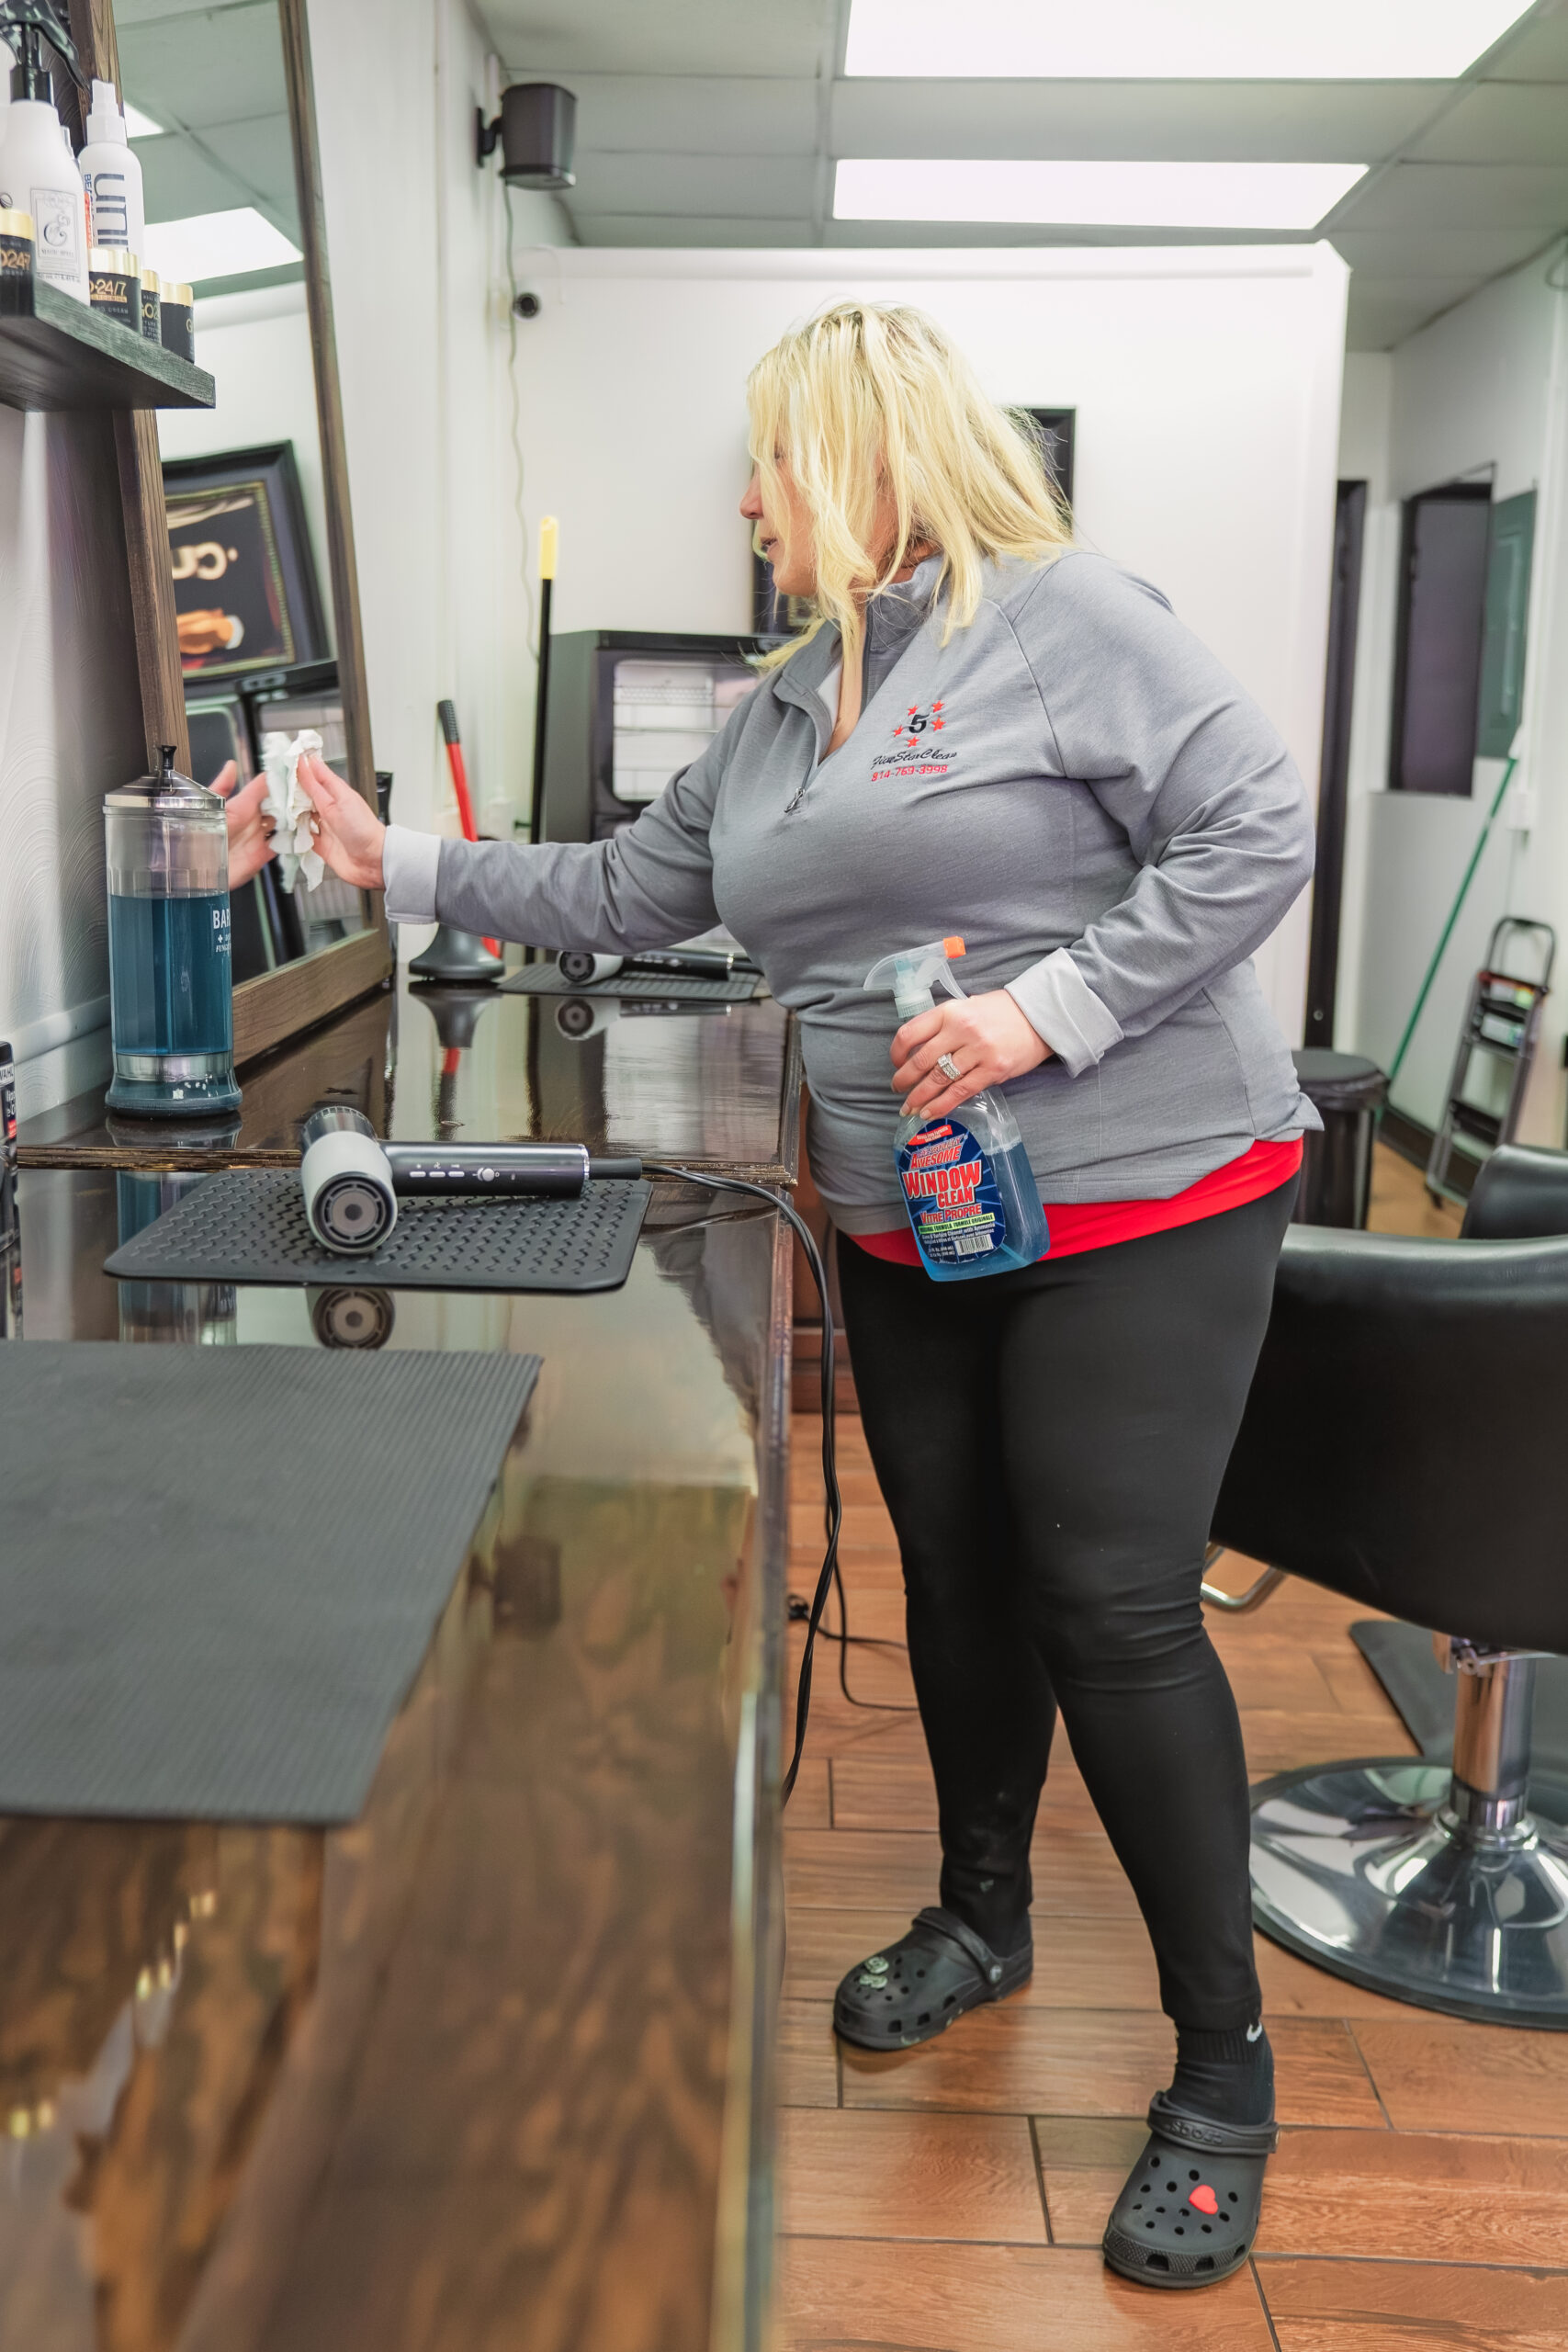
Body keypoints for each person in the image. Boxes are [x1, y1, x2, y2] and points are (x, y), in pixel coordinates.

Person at [300, 301, 1318, 2291]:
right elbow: (623, 894)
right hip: (911, 1210)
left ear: (857, 453)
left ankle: (1223, 2070)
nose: (750, 500)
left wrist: (1045, 1008)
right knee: (956, 1576)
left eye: (768, 461)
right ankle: (982, 1914)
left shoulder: (1062, 612)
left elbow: (1253, 823)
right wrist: (396, 858)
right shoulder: (780, 706)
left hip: (1144, 1185)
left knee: (1105, 1601)